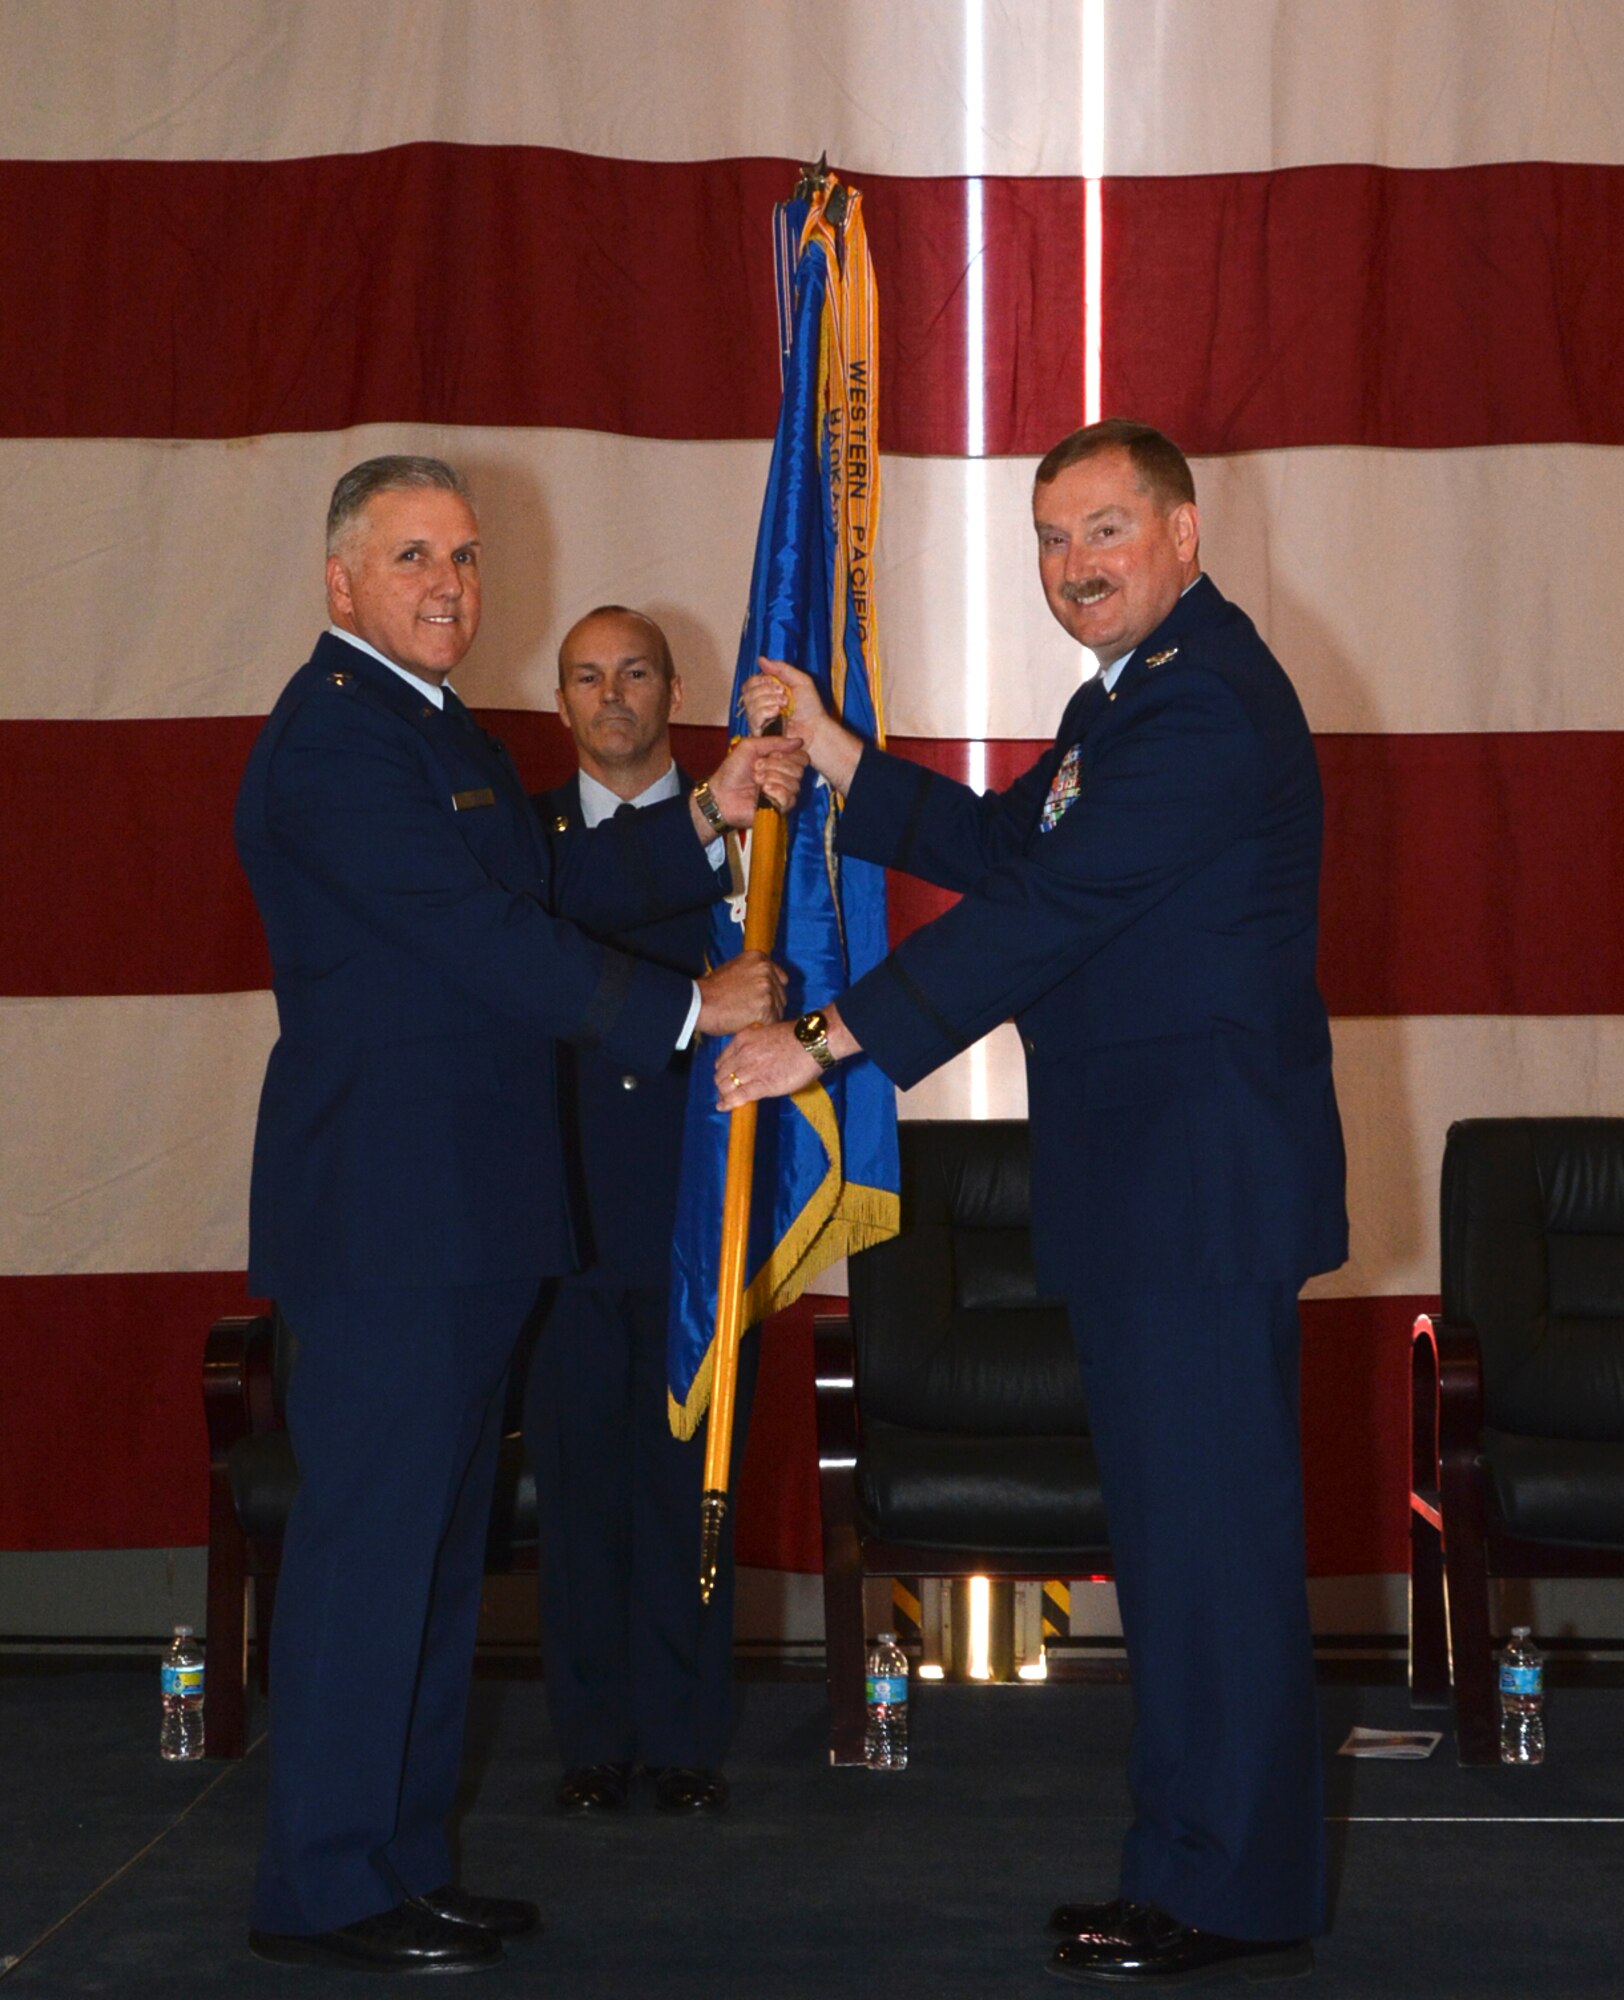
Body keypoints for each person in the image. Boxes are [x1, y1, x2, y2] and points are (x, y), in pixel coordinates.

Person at [721, 420, 1348, 1989]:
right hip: (1153, 1196)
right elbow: (1012, 847)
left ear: (1186, 536)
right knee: (1181, 1546)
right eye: (1052, 540)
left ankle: (1229, 1889)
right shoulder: (1122, 703)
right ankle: (1195, 1867)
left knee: (1210, 1556)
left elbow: (1053, 911)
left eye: (1106, 531)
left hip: (1197, 1199)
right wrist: (846, 757)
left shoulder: (1202, 705)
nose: (1076, 566)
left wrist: (829, 1036)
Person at [234, 457, 803, 1977]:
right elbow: (483, 939)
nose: (449, 584)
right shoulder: (338, 745)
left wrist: (703, 816)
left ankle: (398, 1861)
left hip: (469, 1221)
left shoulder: (439, 735)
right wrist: (689, 1007)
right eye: (412, 556)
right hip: (387, 1224)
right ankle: (327, 1886)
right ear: (340, 582)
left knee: (429, 1564)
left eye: (467, 557)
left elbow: (551, 888)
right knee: (371, 1563)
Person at [517, 605, 756, 1816]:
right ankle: (593, 1745)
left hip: (697, 1216)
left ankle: (681, 1740)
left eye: (635, 673)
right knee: (583, 1495)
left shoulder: (750, 846)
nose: (611, 696)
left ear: (674, 690)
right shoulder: (527, 845)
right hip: (562, 1221)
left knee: (687, 1491)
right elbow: (558, 942)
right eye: (585, 677)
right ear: (559, 703)